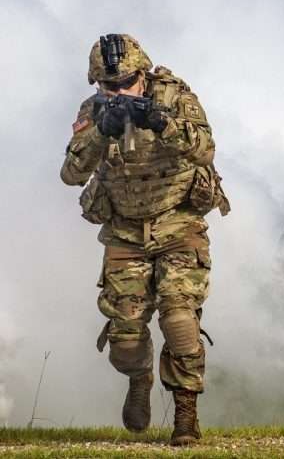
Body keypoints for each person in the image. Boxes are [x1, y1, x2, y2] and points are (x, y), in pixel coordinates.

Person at [60, 34, 229, 446]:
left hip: (178, 223)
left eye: (127, 83)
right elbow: (71, 173)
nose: (119, 92)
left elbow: (205, 150)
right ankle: (140, 377)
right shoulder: (93, 110)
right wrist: (101, 131)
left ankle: (186, 415)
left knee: (179, 320)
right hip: (125, 232)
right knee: (126, 336)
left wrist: (160, 121)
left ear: (143, 73)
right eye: (108, 86)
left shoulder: (174, 96)